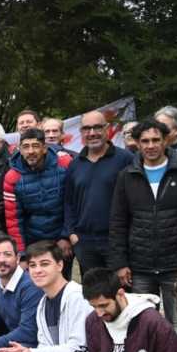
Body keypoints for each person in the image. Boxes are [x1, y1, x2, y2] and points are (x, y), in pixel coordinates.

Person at [108, 119, 177, 322]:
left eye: (156, 140)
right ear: (137, 143)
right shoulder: (126, 176)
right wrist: (120, 262)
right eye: (145, 141)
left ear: (166, 141)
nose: (151, 145)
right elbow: (118, 222)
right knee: (143, 324)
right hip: (140, 266)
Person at [0, 241, 93, 352]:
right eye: (32, 265)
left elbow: (79, 349)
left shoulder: (77, 297)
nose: (37, 270)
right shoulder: (43, 304)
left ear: (60, 265)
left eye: (44, 264)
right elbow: (45, 348)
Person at [63, 111, 134, 276]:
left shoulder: (125, 159)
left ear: (107, 128)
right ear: (81, 132)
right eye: (87, 128)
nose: (92, 133)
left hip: (118, 243)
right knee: (94, 297)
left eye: (97, 127)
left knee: (123, 296)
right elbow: (68, 202)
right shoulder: (75, 164)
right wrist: (72, 234)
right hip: (85, 244)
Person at [3, 128, 73, 263]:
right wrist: (22, 253)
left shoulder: (64, 164)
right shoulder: (12, 177)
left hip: (62, 237)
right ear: (20, 149)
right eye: (25, 147)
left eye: (35, 146)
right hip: (33, 240)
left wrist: (66, 236)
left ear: (45, 148)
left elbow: (73, 203)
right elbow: (13, 219)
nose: (30, 151)